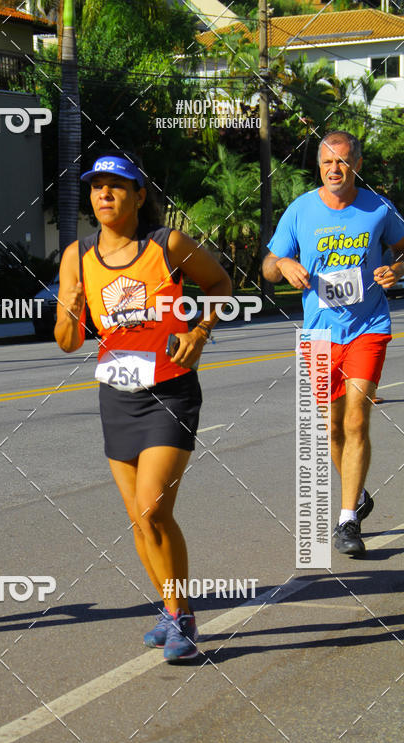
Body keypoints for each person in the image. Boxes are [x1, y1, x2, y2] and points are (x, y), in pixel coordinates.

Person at [55, 152, 231, 660]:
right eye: (96, 187)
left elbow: (219, 284)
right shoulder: (77, 255)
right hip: (116, 394)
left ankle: (183, 617)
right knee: (139, 518)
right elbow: (67, 339)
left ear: (138, 195)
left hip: (170, 391)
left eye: (115, 186)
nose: (104, 194)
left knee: (154, 506)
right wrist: (69, 314)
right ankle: (169, 606)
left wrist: (200, 332)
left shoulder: (166, 245)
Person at [262, 130, 404, 556]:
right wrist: (284, 262)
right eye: (327, 162)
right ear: (319, 166)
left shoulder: (378, 208)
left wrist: (398, 269)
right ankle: (355, 494)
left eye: (342, 161)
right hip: (319, 334)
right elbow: (268, 264)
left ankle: (346, 522)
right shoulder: (301, 210)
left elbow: (403, 249)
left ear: (356, 165)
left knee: (357, 418)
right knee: (334, 428)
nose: (334, 169)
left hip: (368, 327)